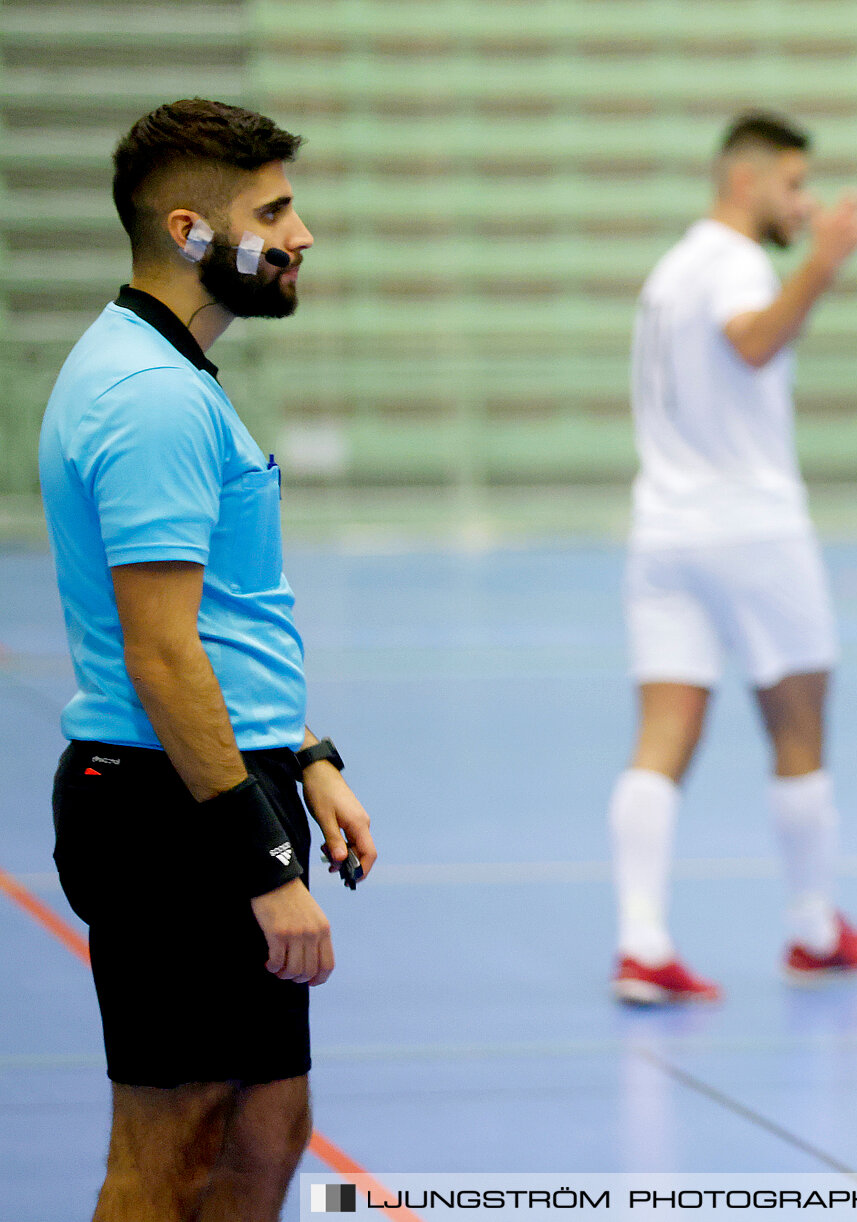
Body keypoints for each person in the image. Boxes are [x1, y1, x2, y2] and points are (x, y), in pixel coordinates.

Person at [38, 98, 378, 1221]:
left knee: (267, 1123)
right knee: (171, 1140)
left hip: (217, 779)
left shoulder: (166, 371)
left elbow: (224, 622)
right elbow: (163, 651)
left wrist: (307, 750)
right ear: (191, 233)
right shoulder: (150, 401)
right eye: (274, 211)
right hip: (169, 809)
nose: (301, 234)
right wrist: (264, 864)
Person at [608, 111, 857, 1005]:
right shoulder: (733, 263)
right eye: (794, 186)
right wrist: (827, 261)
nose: (803, 206)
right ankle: (813, 929)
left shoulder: (670, 270)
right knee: (799, 729)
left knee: (662, 738)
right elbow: (755, 339)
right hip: (751, 529)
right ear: (746, 181)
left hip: (662, 531)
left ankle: (640, 942)